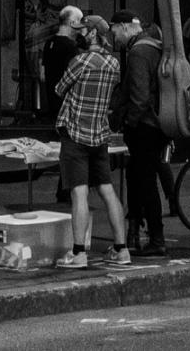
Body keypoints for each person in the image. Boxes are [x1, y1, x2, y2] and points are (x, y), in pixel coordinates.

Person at [53, 15, 128, 269]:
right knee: (107, 189)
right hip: (100, 134)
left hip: (75, 134)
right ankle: (121, 249)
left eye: (83, 30)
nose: (79, 34)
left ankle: (79, 253)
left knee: (79, 193)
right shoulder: (113, 63)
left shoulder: (80, 61)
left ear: (93, 33)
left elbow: (59, 88)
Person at [114, 12, 170, 255]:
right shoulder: (154, 46)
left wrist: (129, 122)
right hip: (157, 124)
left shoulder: (137, 52)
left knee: (145, 182)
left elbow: (140, 95)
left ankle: (157, 239)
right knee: (138, 179)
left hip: (144, 126)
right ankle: (136, 234)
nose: (114, 37)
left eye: (115, 30)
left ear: (126, 27)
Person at [42, 5, 84, 200]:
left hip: (52, 101)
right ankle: (66, 189)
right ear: (73, 22)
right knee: (71, 148)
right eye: (80, 21)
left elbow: (42, 74)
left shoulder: (49, 43)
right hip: (68, 103)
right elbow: (77, 76)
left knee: (65, 146)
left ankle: (64, 188)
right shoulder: (70, 48)